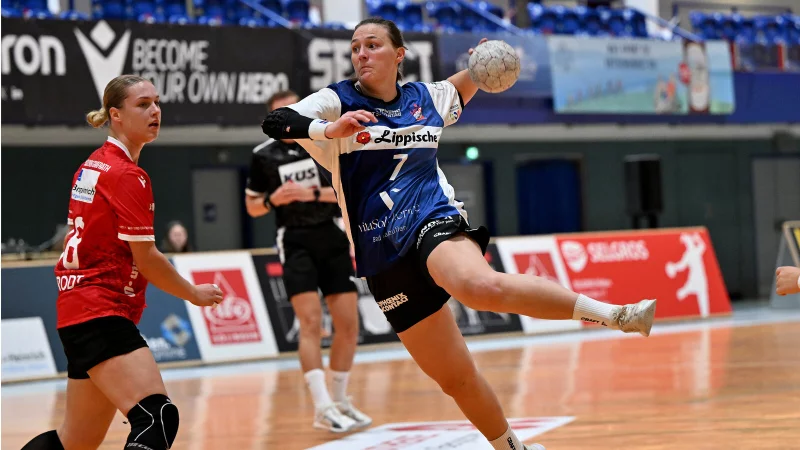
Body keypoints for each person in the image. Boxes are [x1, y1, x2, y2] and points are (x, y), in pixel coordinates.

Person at [261, 18, 657, 450]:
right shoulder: (337, 100)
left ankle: (615, 314)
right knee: (456, 378)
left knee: (478, 285)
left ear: (399, 54)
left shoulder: (427, 98)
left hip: (430, 218)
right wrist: (328, 129)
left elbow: (471, 80)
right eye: (355, 47)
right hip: (380, 251)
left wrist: (483, 63)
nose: (361, 54)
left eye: (372, 45)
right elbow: (276, 121)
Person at [22, 75, 224, 450]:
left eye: (157, 102)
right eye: (143, 104)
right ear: (115, 114)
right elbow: (146, 258)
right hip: (100, 311)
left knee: (75, 441)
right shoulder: (127, 175)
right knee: (157, 417)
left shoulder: (92, 165)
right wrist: (193, 293)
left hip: (79, 311)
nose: (155, 111)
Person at [245, 90, 371, 433]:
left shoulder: (324, 142)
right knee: (310, 323)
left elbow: (348, 191)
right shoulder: (263, 155)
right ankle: (322, 406)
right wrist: (272, 200)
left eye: (292, 111)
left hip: (332, 234)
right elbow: (252, 206)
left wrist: (311, 193)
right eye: (279, 114)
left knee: (348, 325)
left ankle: (341, 400)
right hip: (295, 240)